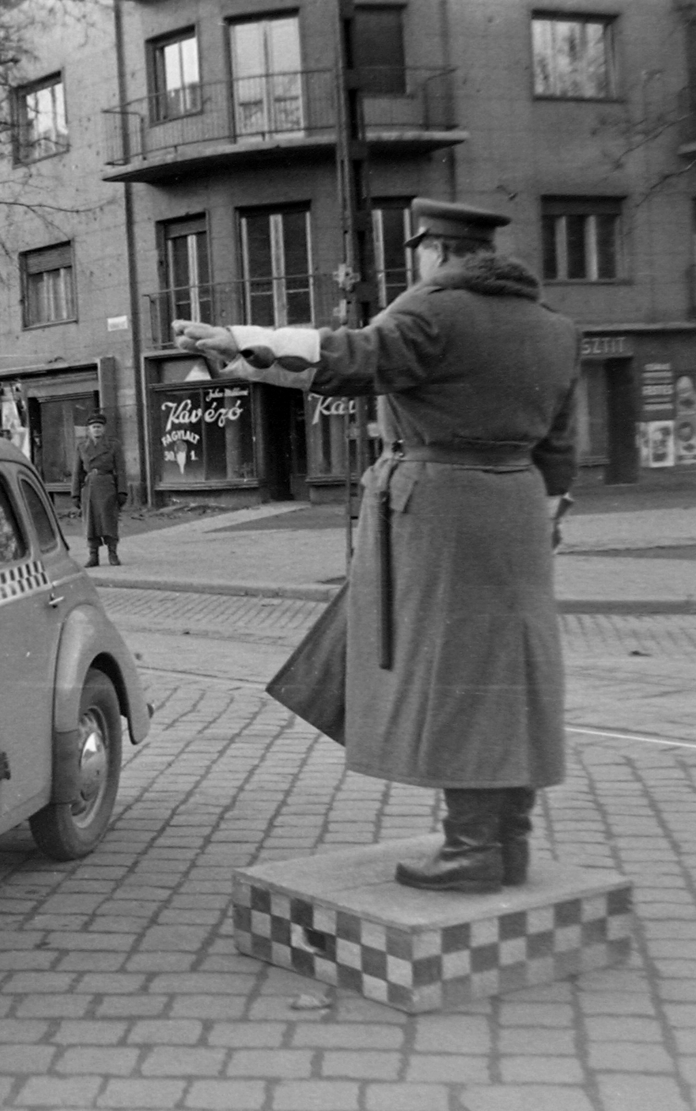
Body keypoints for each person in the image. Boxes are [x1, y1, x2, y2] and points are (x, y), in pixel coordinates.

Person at [174, 197, 580, 895]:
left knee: (452, 674)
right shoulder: (554, 327)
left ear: (439, 250)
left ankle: (472, 847)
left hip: (444, 506)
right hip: (519, 504)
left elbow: (349, 355)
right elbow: (562, 447)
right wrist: (540, 519)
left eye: (418, 248)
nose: (415, 261)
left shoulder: (435, 310)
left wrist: (237, 340)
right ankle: (508, 839)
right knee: (510, 672)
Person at [72, 413, 126, 567]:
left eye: (99, 427)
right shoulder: (82, 447)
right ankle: (93, 556)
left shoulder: (113, 445)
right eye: (93, 427)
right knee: (91, 523)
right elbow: (77, 472)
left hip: (108, 486)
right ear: (89, 430)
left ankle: (112, 554)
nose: (96, 430)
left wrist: (122, 491)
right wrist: (75, 493)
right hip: (89, 489)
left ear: (104, 429)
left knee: (109, 521)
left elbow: (121, 469)